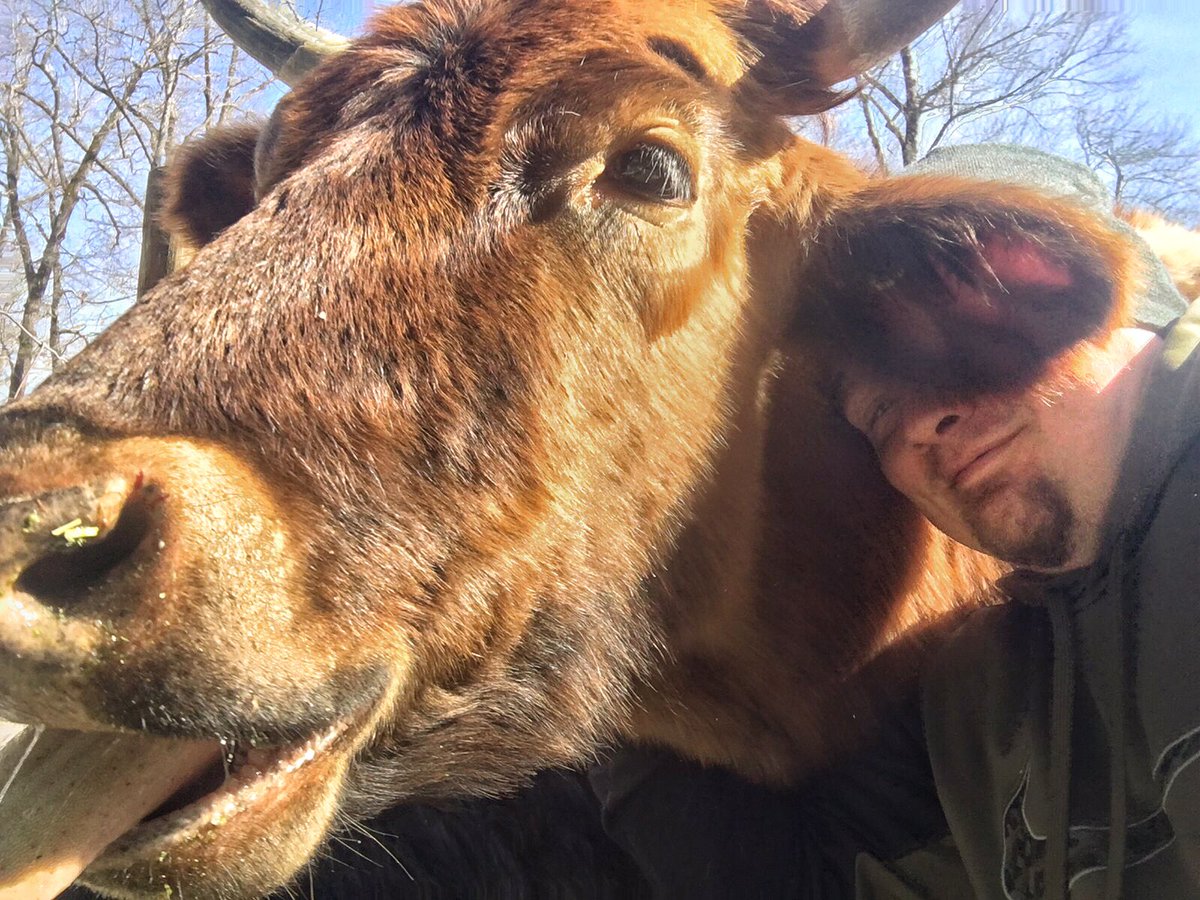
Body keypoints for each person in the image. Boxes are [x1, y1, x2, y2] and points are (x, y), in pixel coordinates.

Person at [591, 146, 1198, 899]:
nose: (923, 420)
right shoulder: (980, 702)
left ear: (1076, 285)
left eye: (980, 343)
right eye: (874, 412)